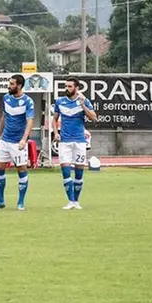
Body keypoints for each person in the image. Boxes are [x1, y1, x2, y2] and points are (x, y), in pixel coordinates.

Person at [0, 74, 34, 211]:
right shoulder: (6, 98)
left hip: (18, 142)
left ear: (19, 86)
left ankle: (20, 202)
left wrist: (24, 140)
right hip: (5, 140)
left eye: (12, 84)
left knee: (21, 169)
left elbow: (30, 121)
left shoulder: (28, 101)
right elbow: (4, 117)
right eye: (9, 83)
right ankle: (0, 200)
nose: (9, 86)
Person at [54, 77, 97, 210]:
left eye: (70, 86)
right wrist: (56, 133)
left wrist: (83, 105)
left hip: (79, 141)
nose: (67, 88)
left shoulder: (83, 101)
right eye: (66, 86)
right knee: (65, 170)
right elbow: (54, 119)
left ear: (76, 88)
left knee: (79, 173)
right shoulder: (60, 101)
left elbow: (94, 118)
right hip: (65, 142)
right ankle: (70, 200)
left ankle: (76, 201)